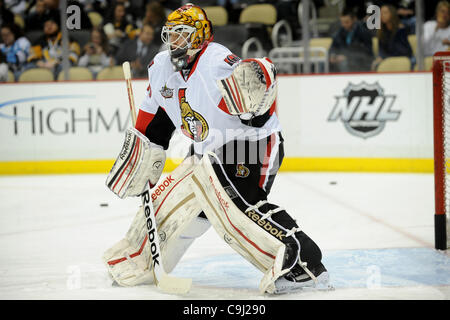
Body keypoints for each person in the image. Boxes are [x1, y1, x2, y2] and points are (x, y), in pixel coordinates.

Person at [103, 4, 330, 295]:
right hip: (206, 151)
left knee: (233, 206)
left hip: (250, 144)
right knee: (175, 206)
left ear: (199, 36)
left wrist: (258, 94)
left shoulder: (216, 62)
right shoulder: (160, 68)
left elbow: (254, 105)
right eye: (170, 35)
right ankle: (140, 262)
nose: (174, 42)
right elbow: (154, 122)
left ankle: (303, 266)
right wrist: (144, 152)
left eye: (182, 35)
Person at [27, 12, 80, 78]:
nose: (49, 27)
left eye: (51, 24)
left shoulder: (68, 39)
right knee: (29, 67)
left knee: (63, 67)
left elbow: (74, 55)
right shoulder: (39, 41)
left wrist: (57, 62)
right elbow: (32, 56)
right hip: (44, 64)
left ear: (58, 25)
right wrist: (40, 63)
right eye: (46, 25)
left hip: (61, 63)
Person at [329, 7, 373, 72]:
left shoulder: (363, 32)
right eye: (342, 22)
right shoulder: (339, 32)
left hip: (361, 61)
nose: (344, 25)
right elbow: (333, 47)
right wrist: (333, 55)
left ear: (354, 19)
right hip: (342, 59)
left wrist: (347, 56)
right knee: (326, 62)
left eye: (347, 22)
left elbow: (367, 52)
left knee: (344, 63)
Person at [372, 4, 413, 70]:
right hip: (387, 58)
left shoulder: (401, 30)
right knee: (375, 64)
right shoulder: (381, 31)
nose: (382, 15)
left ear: (392, 14)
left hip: (402, 58)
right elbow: (381, 49)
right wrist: (380, 57)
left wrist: (384, 57)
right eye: (380, 13)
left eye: (385, 13)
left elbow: (403, 51)